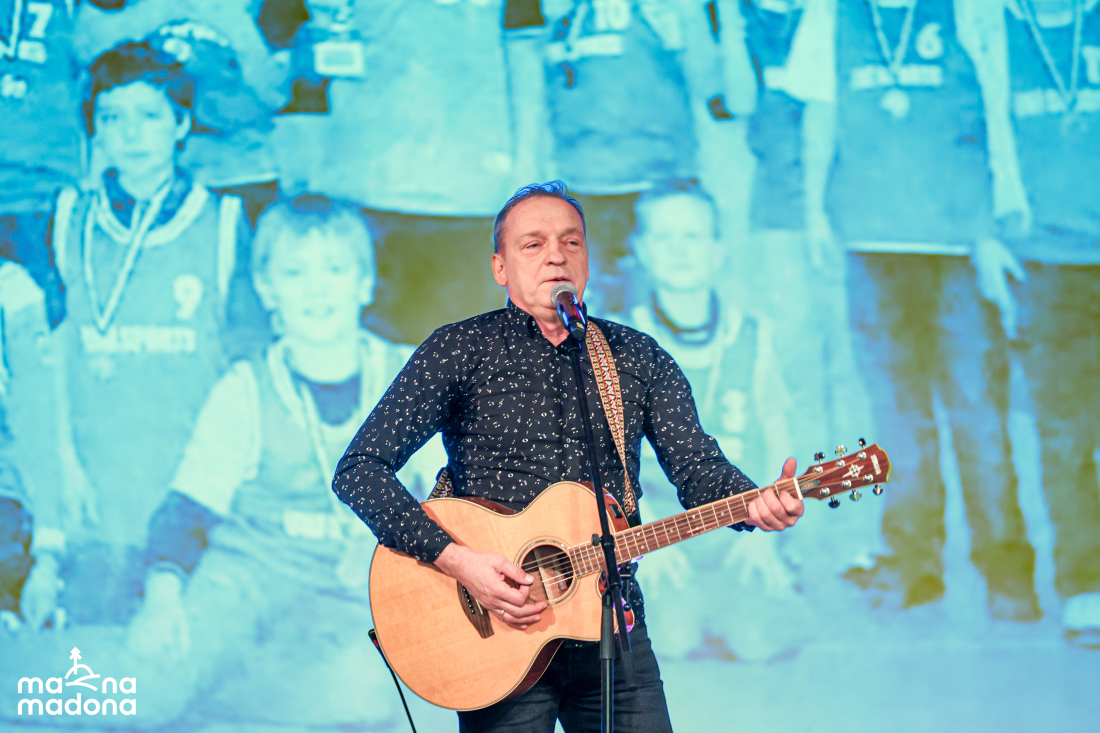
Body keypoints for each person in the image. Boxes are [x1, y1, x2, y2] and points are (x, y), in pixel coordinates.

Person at [332, 181, 804, 732]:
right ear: (500, 268)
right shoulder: (459, 349)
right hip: (497, 629)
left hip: (612, 626)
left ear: (587, 261)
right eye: (533, 244)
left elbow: (697, 466)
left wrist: (752, 501)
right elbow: (359, 470)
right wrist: (457, 560)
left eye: (570, 242)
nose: (555, 255)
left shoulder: (635, 356)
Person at [116, 195, 442, 728]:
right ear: (268, 290)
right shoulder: (244, 388)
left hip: (364, 589)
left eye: (334, 270)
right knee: (155, 686)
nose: (317, 289)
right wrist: (163, 595)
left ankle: (249, 696)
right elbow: (186, 509)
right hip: (251, 576)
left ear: (364, 283)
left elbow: (463, 492)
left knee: (362, 696)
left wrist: (399, 543)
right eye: (294, 273)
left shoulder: (409, 374)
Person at [816, 0, 1040, 622]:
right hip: (872, 248)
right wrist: (815, 213)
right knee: (898, 420)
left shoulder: (971, 13)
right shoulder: (833, 17)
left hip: (959, 250)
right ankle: (914, 564)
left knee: (979, 415)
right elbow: (821, 119)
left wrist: (994, 221)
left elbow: (998, 113)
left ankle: (1007, 570)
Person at [40, 41, 251, 627]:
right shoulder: (66, 217)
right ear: (94, 130)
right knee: (92, 652)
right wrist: (60, 462)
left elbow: (246, 374)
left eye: (150, 115)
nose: (131, 134)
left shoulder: (224, 222)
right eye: (112, 118)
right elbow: (47, 357)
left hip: (191, 492)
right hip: (96, 488)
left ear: (181, 124)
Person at [620, 181, 806, 663]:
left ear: (718, 251)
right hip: (657, 527)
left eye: (693, 237)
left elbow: (778, 439)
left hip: (738, 524)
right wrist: (640, 536)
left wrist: (768, 530)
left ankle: (758, 583)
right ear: (642, 251)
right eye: (664, 238)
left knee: (759, 643)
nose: (679, 251)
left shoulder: (753, 334)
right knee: (673, 639)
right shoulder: (618, 341)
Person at [969, 0, 1100, 645]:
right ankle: (1085, 583)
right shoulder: (989, 30)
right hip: (1045, 264)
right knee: (1065, 437)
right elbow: (964, 136)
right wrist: (985, 232)